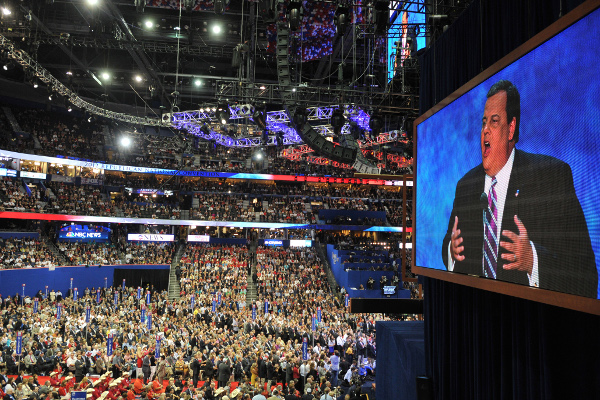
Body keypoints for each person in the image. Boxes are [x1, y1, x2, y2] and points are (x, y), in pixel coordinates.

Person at [442, 80, 597, 297]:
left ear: (511, 129)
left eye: (494, 122)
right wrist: (451, 250)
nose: (485, 130)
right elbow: (448, 245)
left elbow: (585, 272)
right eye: (483, 122)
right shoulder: (466, 186)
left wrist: (532, 260)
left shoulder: (551, 177)